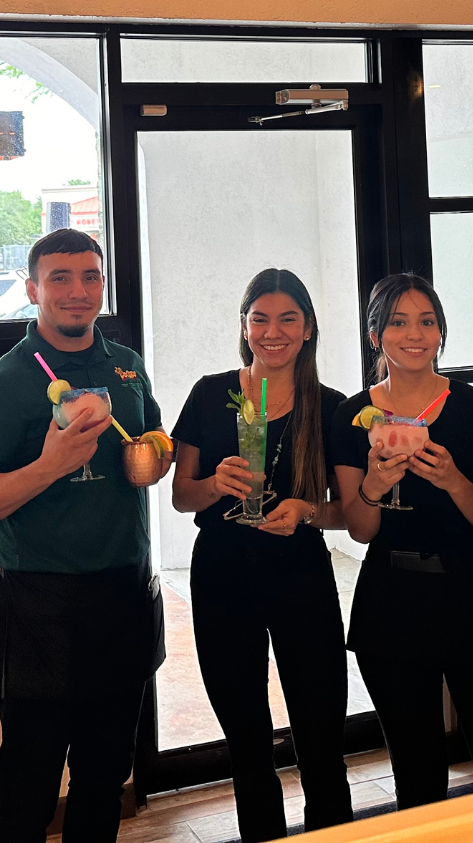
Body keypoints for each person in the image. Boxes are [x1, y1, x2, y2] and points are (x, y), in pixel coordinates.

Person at [0, 228, 171, 843]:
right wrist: (49, 465)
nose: (78, 291)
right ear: (33, 289)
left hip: (124, 594)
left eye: (90, 277)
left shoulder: (126, 366)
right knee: (28, 789)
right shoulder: (3, 384)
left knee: (105, 781)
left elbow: (151, 440)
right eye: (60, 278)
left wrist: (156, 456)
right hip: (41, 607)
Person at [333, 273, 473, 809]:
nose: (414, 334)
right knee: (417, 774)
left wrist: (452, 480)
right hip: (392, 598)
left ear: (441, 332)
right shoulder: (354, 415)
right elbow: (361, 529)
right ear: (375, 336)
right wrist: (374, 487)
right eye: (398, 322)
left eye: (427, 322)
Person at [171, 269, 353, 839]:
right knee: (246, 738)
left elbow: (347, 513)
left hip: (300, 573)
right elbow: (181, 496)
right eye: (260, 319)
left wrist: (306, 509)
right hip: (222, 574)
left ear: (308, 328)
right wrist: (213, 485)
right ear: (244, 326)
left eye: (287, 319)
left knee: (321, 732)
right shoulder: (210, 393)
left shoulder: (331, 406)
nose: (273, 332)